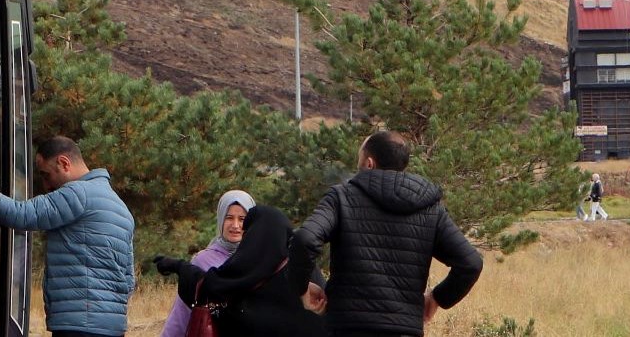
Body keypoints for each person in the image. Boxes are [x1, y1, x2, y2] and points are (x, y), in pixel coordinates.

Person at [288, 130, 483, 337]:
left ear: (369, 163)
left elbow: (305, 239)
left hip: (348, 327)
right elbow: (471, 263)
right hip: (405, 330)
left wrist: (301, 289)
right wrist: (437, 298)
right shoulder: (430, 207)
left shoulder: (341, 197)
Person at [0, 135, 136, 337]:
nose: (46, 185)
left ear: (64, 163)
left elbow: (22, 214)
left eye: (46, 175)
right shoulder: (121, 208)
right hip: (113, 327)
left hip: (79, 326)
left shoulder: (78, 193)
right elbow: (129, 281)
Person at [155, 201, 328, 337]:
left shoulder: (252, 269)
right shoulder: (306, 270)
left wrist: (178, 266)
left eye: (247, 229)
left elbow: (214, 286)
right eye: (229, 218)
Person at [156, 190, 255, 337]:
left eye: (242, 219)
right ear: (221, 219)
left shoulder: (259, 260)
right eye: (229, 218)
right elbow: (182, 311)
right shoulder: (202, 260)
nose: (235, 225)